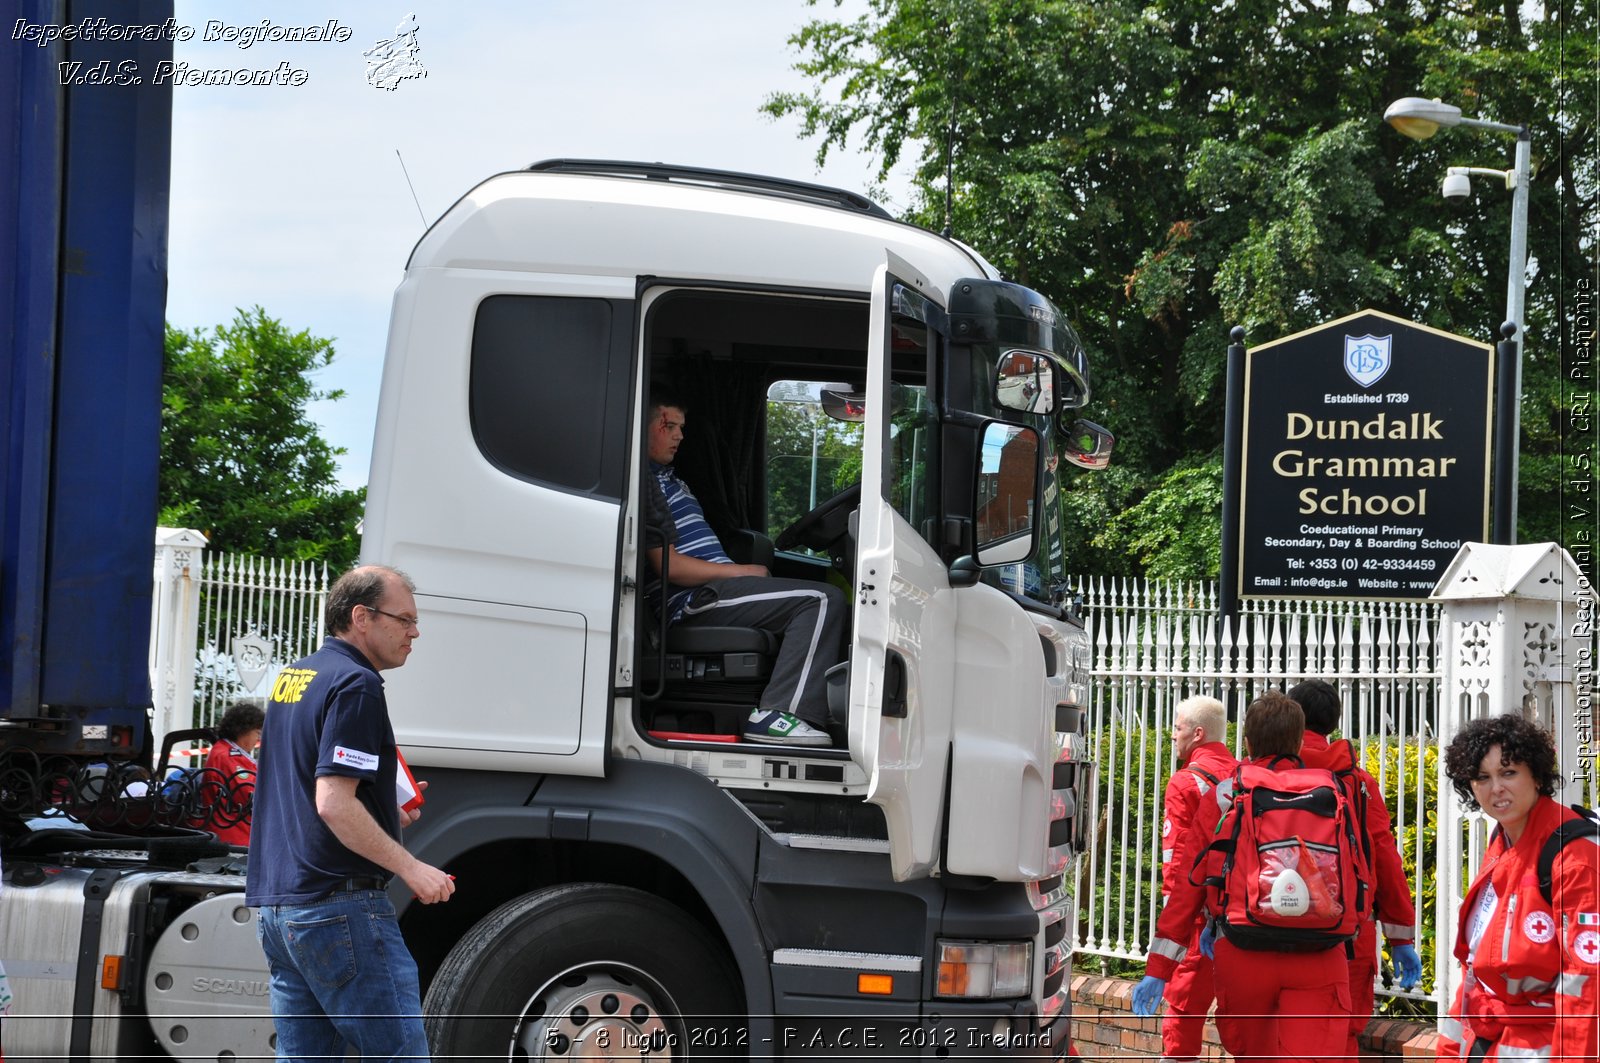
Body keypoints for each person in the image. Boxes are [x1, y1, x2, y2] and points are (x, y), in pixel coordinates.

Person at [245, 565, 455, 1061]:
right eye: (403, 619)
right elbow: (334, 803)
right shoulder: (357, 684)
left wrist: (382, 811)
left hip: (281, 908)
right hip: (339, 907)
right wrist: (411, 868)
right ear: (361, 616)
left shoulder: (295, 677)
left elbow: (304, 790)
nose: (415, 631)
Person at [1134, 691, 1355, 1063]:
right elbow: (1359, 874)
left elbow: (1189, 883)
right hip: (1320, 952)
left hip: (1244, 949)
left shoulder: (1228, 794)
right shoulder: (1335, 792)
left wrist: (1160, 967)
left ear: (1248, 743)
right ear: (1300, 742)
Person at [645, 390, 845, 747]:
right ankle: (782, 715)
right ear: (642, 426)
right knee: (820, 599)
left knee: (817, 596)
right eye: (668, 425)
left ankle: (818, 709)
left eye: (681, 427)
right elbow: (668, 565)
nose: (679, 435)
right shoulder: (645, 483)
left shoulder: (670, 480)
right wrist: (739, 572)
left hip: (713, 590)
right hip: (691, 601)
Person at [1437, 713, 1600, 1063]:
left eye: (1508, 772)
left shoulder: (1575, 857)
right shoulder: (1503, 842)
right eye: (1482, 777)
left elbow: (1587, 985)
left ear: (1537, 776)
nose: (1496, 788)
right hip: (1492, 1041)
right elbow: (1474, 967)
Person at [1287, 679, 1422, 1055]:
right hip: (1345, 933)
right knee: (1340, 1037)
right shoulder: (1357, 783)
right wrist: (1401, 939)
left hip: (1270, 930)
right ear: (1333, 723)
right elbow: (1384, 858)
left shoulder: (1263, 777)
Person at [1154, 695, 1237, 1063]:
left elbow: (1177, 866)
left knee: (1184, 1008)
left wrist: (1178, 924)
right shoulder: (1244, 775)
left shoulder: (1186, 782)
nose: (1173, 735)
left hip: (1199, 919)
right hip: (1240, 916)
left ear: (1198, 734)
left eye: (1178, 727)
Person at [197, 700, 263, 846]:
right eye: (257, 733)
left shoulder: (225, 751)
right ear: (243, 730)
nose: (258, 739)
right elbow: (249, 795)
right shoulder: (227, 756)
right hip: (236, 837)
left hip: (235, 833)